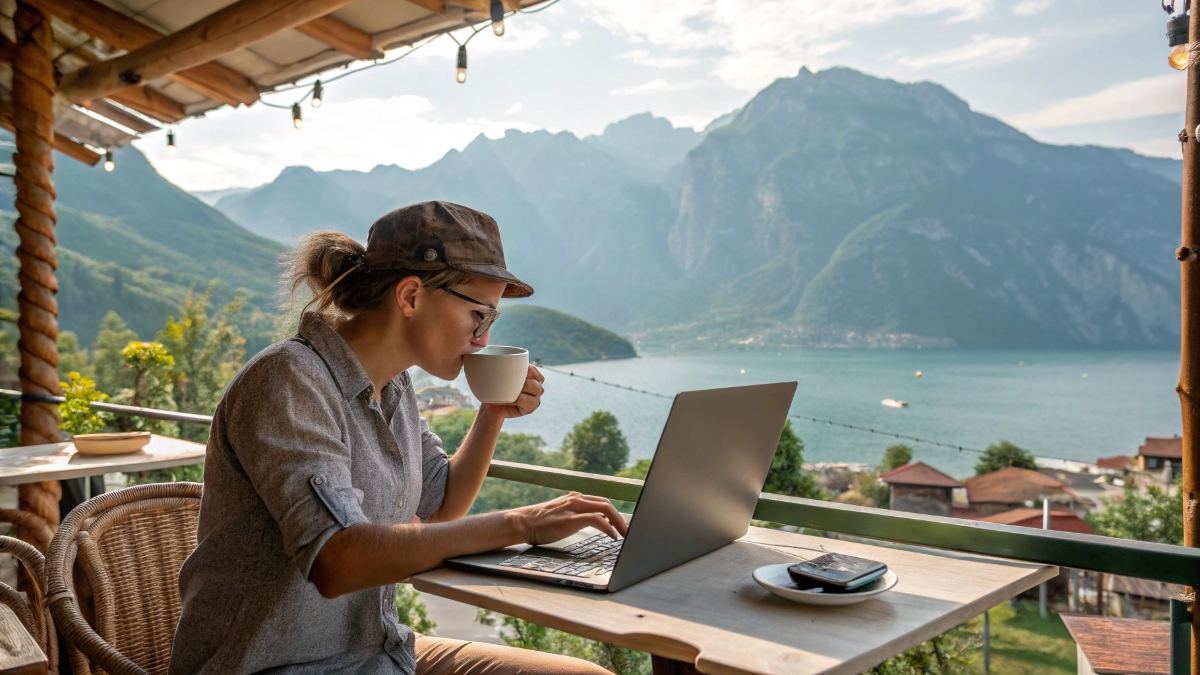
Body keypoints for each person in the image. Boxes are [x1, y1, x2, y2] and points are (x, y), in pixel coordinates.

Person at [169, 201, 627, 674]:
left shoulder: (394, 386)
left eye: (491, 322)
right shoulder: (289, 382)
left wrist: (493, 411)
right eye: (478, 317)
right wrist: (522, 524)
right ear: (410, 297)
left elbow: (442, 504)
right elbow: (337, 560)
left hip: (377, 653)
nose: (483, 339)